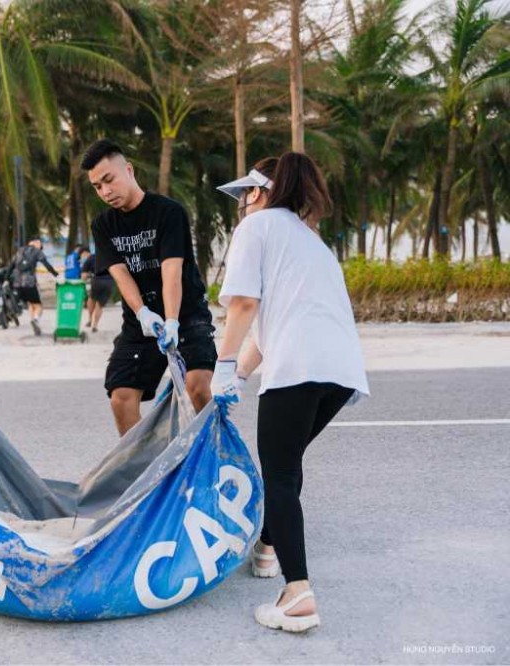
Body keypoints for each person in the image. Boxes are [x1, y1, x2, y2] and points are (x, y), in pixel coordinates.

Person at [213, 152, 369, 633]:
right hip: (340, 373)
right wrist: (239, 373)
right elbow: (268, 327)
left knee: (279, 473)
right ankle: (267, 547)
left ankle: (297, 593)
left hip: (298, 368)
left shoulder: (255, 230)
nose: (240, 205)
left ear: (258, 193)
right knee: (287, 463)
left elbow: (243, 305)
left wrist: (220, 366)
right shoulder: (312, 243)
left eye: (243, 196)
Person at [82, 139, 216, 435]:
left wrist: (171, 321)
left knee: (197, 387)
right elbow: (121, 275)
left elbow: (172, 272)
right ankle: (148, 472)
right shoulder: (103, 225)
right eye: (96, 186)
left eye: (109, 180)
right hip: (141, 320)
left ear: (128, 170)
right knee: (121, 397)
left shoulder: (168, 212)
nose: (105, 191)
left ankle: (213, 456)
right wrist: (143, 313)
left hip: (186, 313)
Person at [8, 237, 62, 336]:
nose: (41, 247)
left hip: (17, 284)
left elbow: (11, 266)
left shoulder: (20, 251)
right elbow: (47, 264)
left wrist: (7, 279)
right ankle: (35, 319)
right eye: (40, 245)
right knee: (38, 305)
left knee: (31, 303)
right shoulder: (37, 252)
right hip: (29, 283)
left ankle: (33, 321)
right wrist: (56, 274)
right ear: (36, 243)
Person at [80, 248, 113, 333]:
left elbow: (84, 275)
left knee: (91, 298)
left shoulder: (91, 257)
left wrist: (82, 283)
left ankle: (90, 319)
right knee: (100, 305)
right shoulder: (110, 256)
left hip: (97, 280)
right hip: (109, 281)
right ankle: (95, 325)